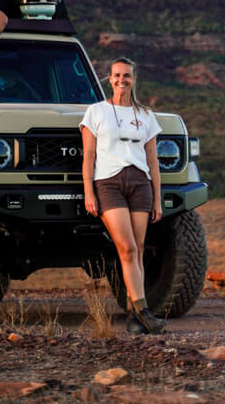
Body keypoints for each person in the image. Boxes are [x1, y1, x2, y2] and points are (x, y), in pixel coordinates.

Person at [80, 57, 166, 335]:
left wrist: (157, 198)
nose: (121, 80)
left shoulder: (146, 115)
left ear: (133, 79)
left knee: (138, 250)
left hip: (140, 183)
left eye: (126, 75)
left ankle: (133, 317)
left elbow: (153, 161)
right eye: (116, 75)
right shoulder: (96, 112)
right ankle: (144, 312)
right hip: (108, 184)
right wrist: (88, 191)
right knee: (127, 248)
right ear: (110, 78)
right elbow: (89, 155)